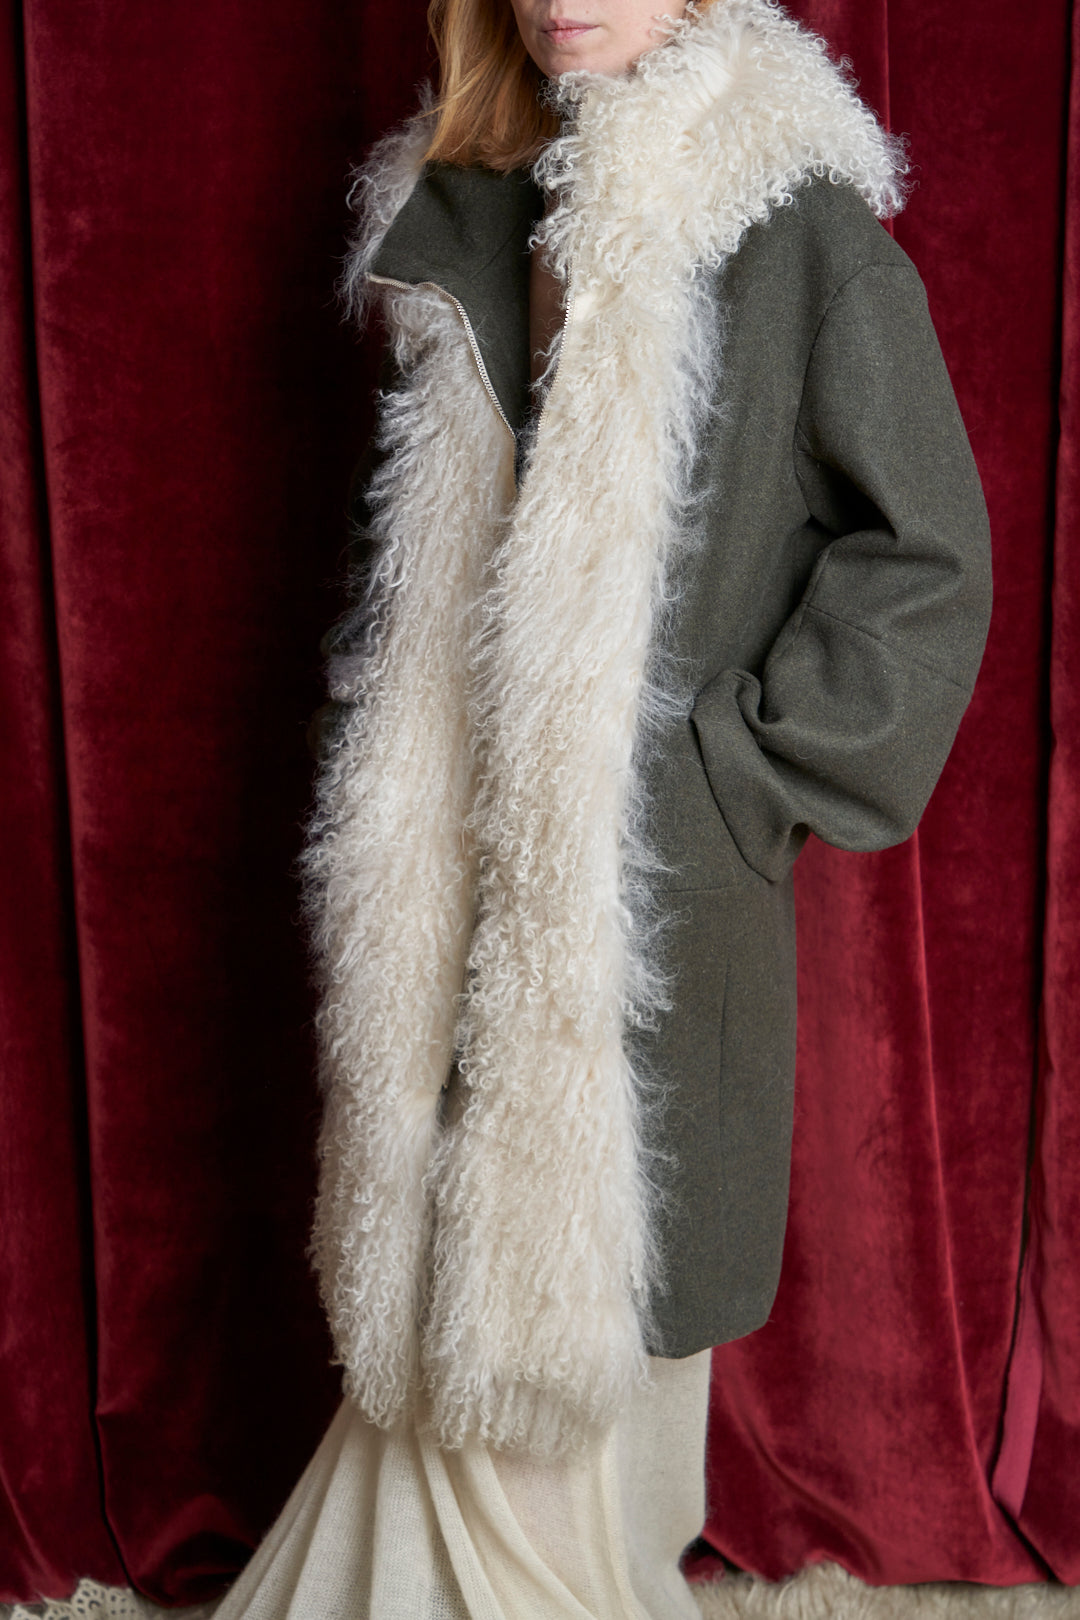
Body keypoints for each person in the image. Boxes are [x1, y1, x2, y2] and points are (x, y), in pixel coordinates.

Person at [213, 0, 991, 1615]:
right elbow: (411, 543)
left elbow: (926, 559)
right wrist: (377, 755)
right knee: (448, 1285)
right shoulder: (475, 194)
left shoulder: (792, 221)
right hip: (452, 862)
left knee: (599, 1313)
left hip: (644, 884)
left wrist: (730, 774)